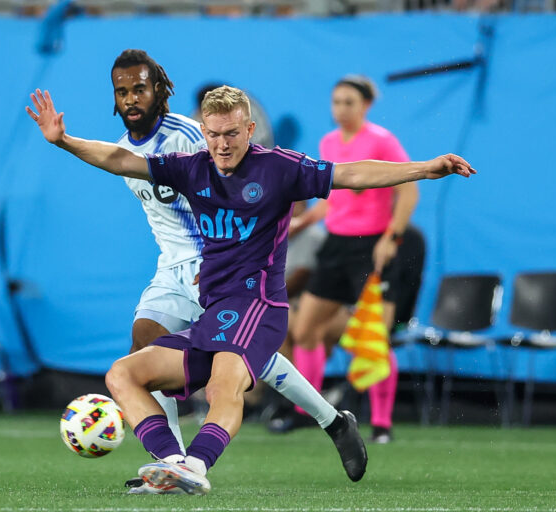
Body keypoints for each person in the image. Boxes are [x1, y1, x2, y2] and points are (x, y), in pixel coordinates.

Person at [26, 84, 474, 494]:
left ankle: (195, 467)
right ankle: (175, 462)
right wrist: (63, 141)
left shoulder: (280, 168)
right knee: (122, 373)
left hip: (259, 305)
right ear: (203, 131)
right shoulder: (190, 168)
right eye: (214, 134)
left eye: (232, 134)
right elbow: (120, 160)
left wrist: (426, 169)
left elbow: (351, 175)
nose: (223, 144)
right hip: (215, 310)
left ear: (250, 129)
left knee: (225, 385)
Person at [90, 49, 368, 491]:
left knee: (236, 361)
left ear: (158, 91)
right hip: (171, 266)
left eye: (139, 89)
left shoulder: (188, 137)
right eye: (122, 92)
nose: (131, 99)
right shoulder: (125, 148)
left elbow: (228, 189)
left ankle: (328, 421)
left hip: (213, 262)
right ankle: (173, 462)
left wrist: (217, 257)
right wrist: (62, 139)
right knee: (151, 346)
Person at [288, 75, 417, 444]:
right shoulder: (329, 142)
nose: (341, 109)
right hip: (335, 246)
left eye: (349, 102)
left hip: (371, 246)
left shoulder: (382, 140)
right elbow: (331, 199)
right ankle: (307, 412)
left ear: (366, 106)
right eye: (336, 102)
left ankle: (382, 425)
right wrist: (299, 223)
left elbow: (408, 192)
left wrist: (391, 237)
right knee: (306, 330)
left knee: (372, 336)